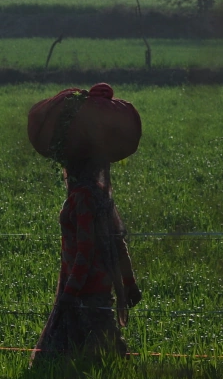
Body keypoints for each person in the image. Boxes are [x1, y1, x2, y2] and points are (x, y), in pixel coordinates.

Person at [27, 83, 142, 364]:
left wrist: (69, 294)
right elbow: (118, 243)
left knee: (68, 357)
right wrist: (129, 284)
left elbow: (86, 251)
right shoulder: (101, 197)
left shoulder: (82, 199)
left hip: (84, 295)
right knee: (104, 353)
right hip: (100, 292)